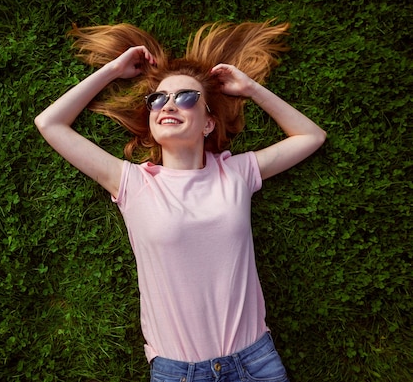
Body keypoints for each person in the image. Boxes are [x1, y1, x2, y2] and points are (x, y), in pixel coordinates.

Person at [35, 20, 326, 382]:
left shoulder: (234, 173)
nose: (168, 104)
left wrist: (251, 89)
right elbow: (50, 123)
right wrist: (111, 70)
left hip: (255, 363)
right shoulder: (132, 182)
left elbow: (311, 136)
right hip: (179, 372)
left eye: (186, 97)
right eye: (158, 98)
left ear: (207, 123)